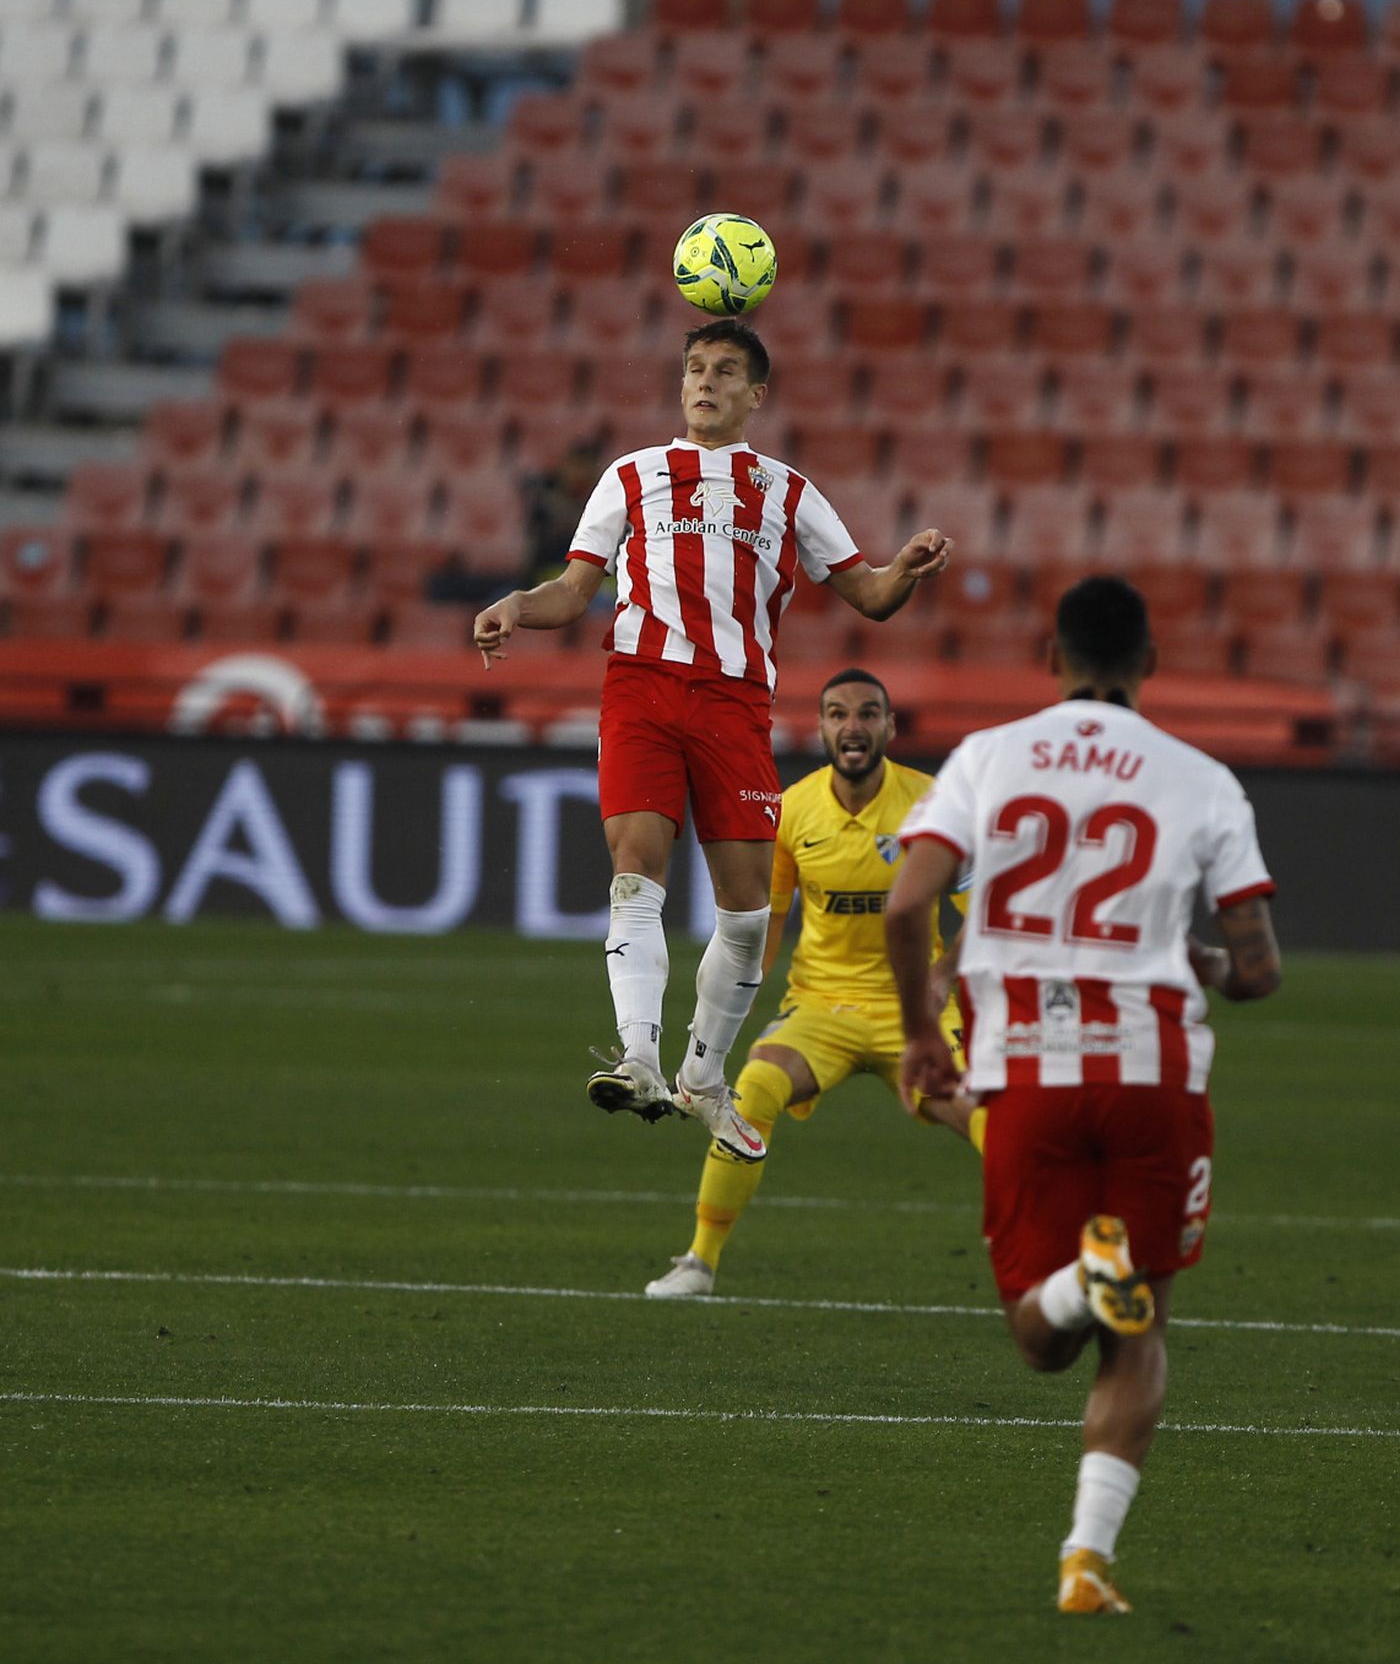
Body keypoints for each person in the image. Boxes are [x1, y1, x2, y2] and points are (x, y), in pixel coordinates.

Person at [884, 575, 1281, 1617]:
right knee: (1139, 1326)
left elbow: (908, 902)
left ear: (1051, 658)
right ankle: (1085, 1560)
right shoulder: (1202, 778)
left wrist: (922, 1034)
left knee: (1038, 1340)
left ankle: (1074, 1286)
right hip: (1153, 1074)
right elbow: (1258, 968)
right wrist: (1206, 963)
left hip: (1026, 1070)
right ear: (1149, 664)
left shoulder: (988, 756)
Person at [473, 321, 952, 1164]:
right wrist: (517, 603)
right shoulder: (631, 476)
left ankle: (701, 1076)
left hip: (735, 703)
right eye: (695, 368)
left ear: (755, 395)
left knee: (746, 911)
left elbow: (871, 596)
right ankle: (637, 1058)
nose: (705, 382)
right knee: (635, 871)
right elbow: (574, 591)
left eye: (726, 371)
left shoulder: (790, 492)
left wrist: (906, 569)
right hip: (642, 688)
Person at [644, 666, 985, 1298]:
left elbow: (982, 908)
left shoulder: (933, 804)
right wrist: (727, 1014)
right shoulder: (793, 809)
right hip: (821, 1007)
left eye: (867, 713)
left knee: (985, 1111)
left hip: (914, 1011)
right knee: (755, 1087)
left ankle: (1054, 1241)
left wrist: (943, 978)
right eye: (838, 714)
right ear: (822, 728)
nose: (853, 726)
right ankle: (699, 1261)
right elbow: (764, 927)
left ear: (889, 726)